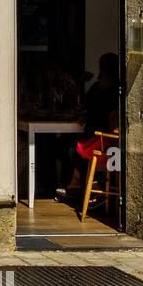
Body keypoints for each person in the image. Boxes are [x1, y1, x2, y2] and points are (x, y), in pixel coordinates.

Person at [55, 53, 120, 205]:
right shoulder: (116, 89)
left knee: (71, 148)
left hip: (101, 140)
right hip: (105, 139)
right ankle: (78, 184)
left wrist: (80, 83)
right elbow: (88, 107)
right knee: (68, 144)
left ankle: (82, 186)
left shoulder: (101, 88)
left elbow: (85, 105)